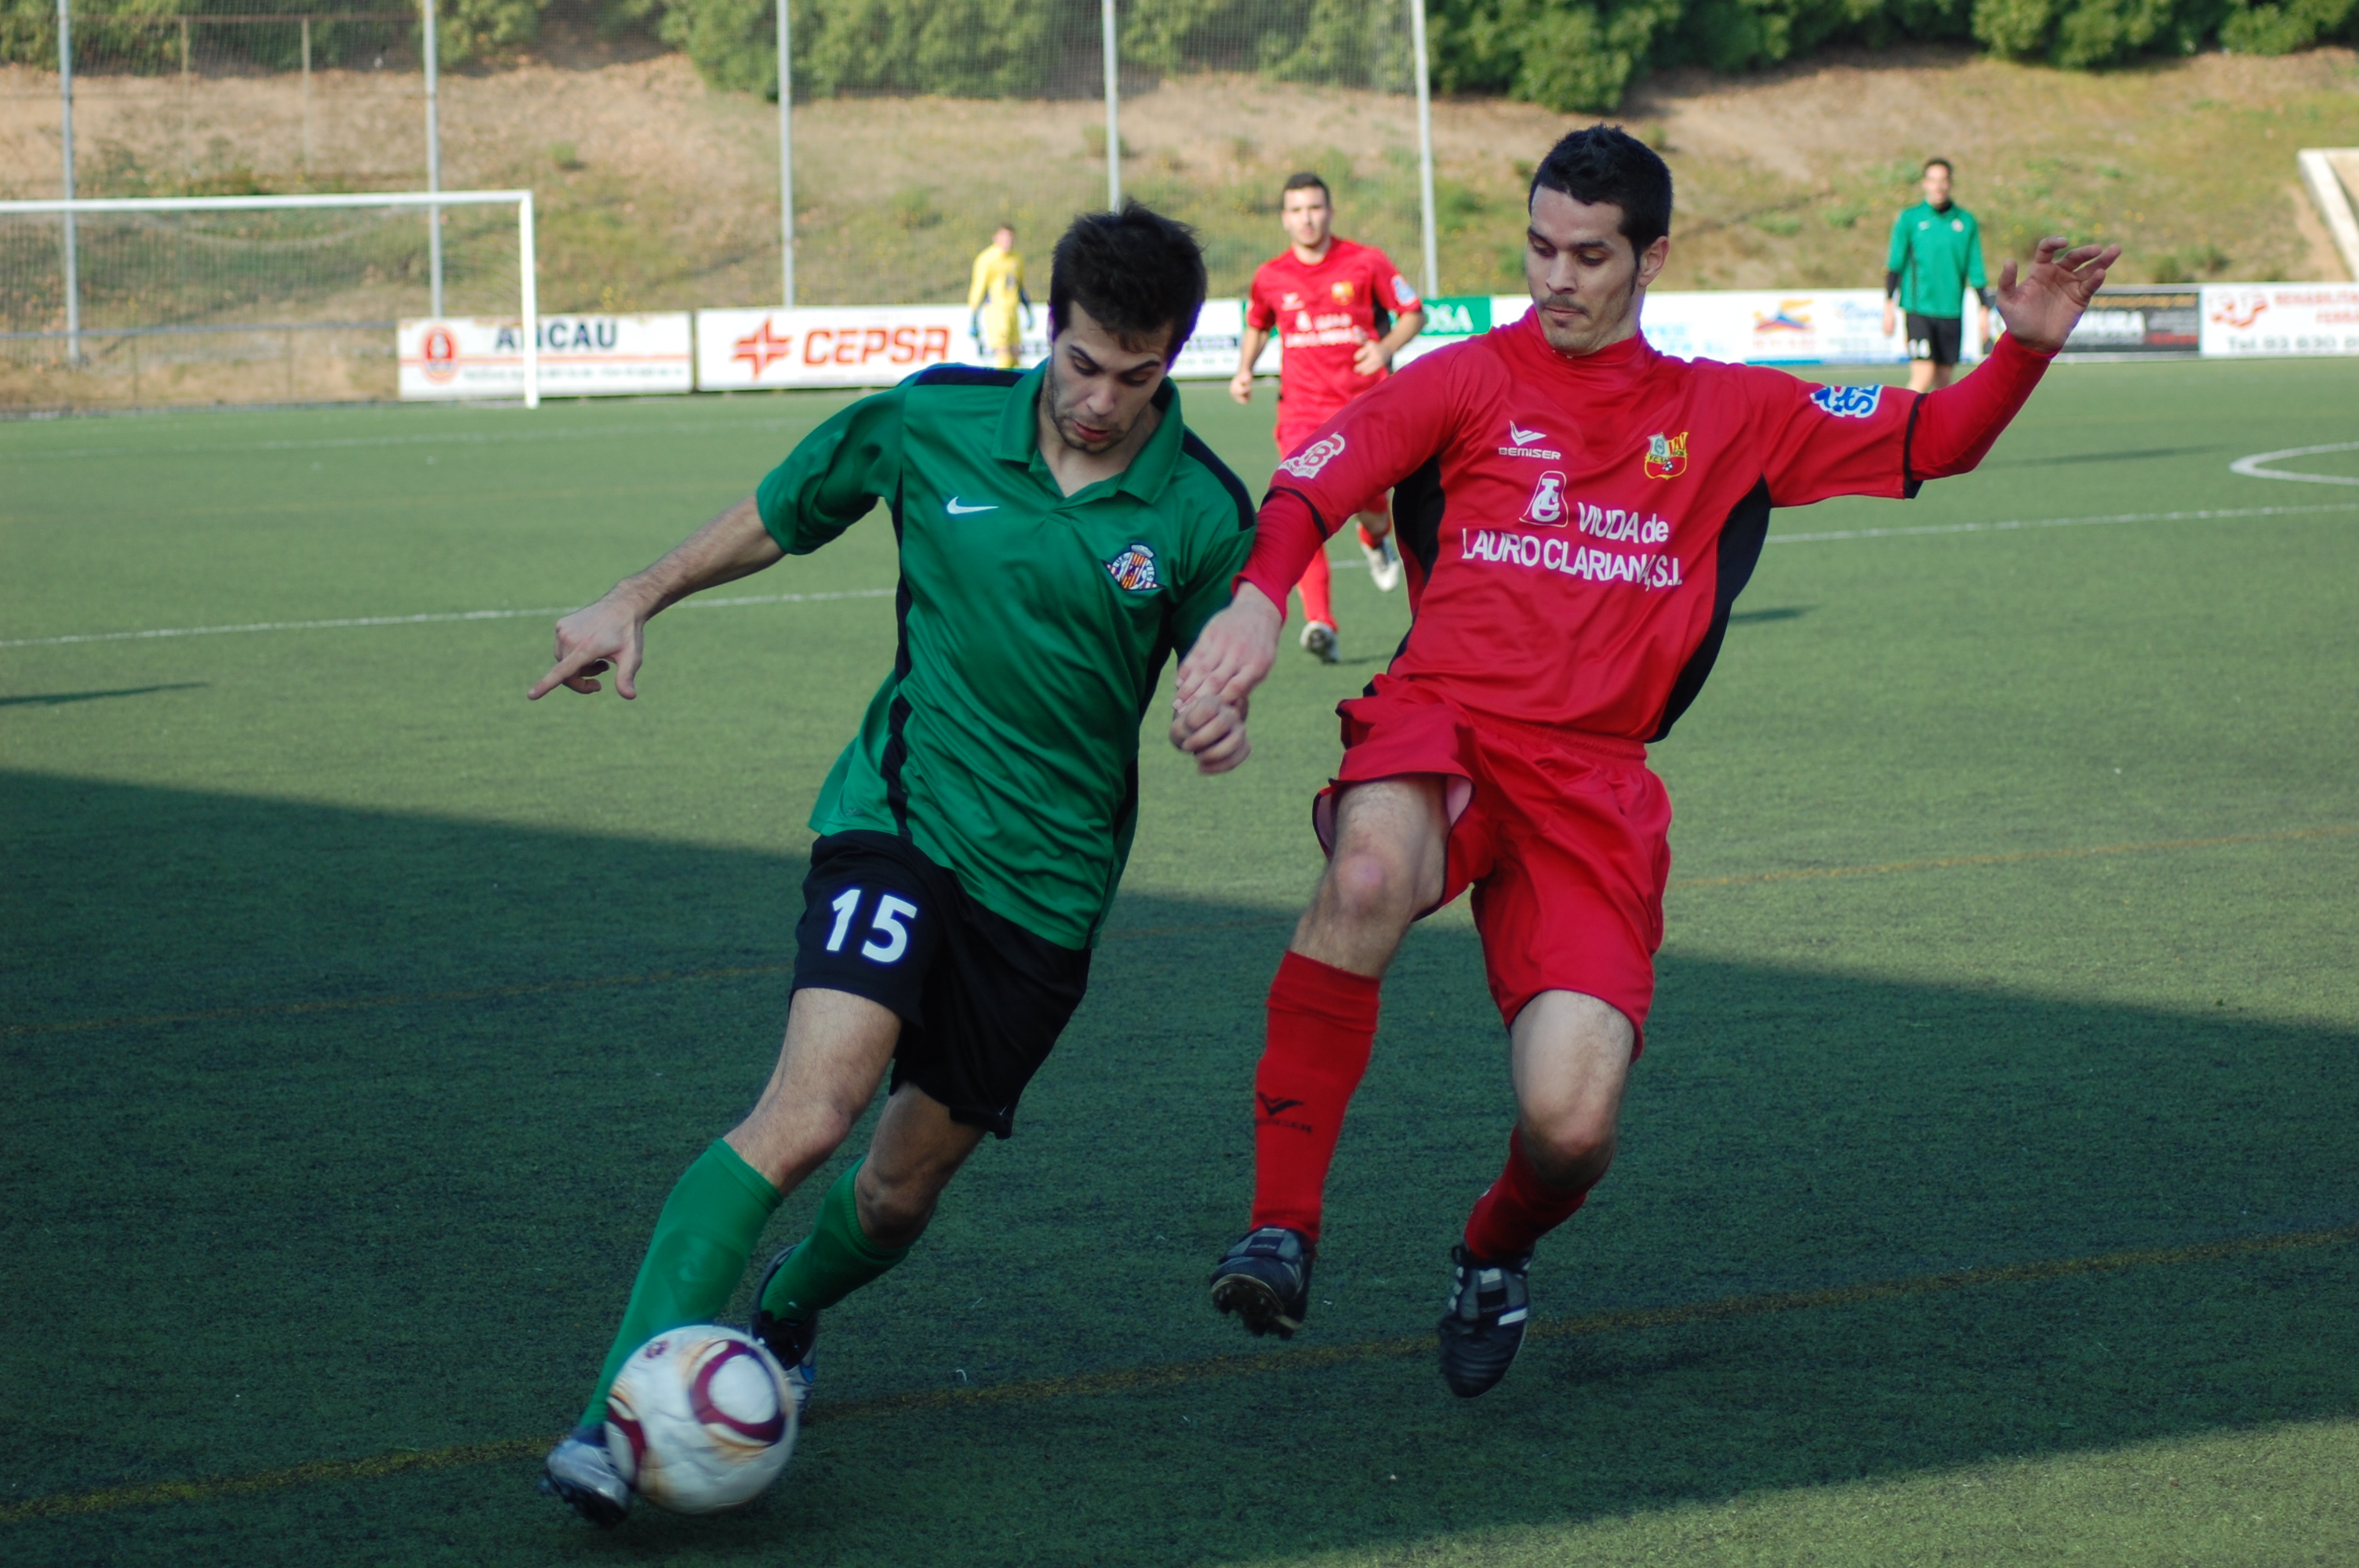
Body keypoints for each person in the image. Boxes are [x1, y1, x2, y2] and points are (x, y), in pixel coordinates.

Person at [1172, 125, 2115, 1399]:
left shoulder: (1732, 413)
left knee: (1569, 1131)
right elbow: (1308, 486)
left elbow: (1936, 439)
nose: (1554, 279)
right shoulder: (1466, 378)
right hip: (1441, 720)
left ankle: (1491, 1253)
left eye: (1588, 256)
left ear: (1651, 256)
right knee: (1361, 882)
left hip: (1593, 786)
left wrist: (2025, 346)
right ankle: (1280, 1227)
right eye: (1539, 248)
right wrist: (1254, 603)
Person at [531, 202, 1257, 1525]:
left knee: (896, 1189)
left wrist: (1221, 698)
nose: (1098, 400)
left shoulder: (1202, 508)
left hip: (1044, 895)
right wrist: (631, 598)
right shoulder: (935, 420)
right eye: (1082, 362)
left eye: (1134, 377)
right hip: (900, 819)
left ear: (1174, 363)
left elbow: (1232, 639)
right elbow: (777, 512)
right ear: (1049, 327)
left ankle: (789, 1317)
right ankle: (609, 1419)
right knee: (807, 1116)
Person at [1230, 172, 1426, 663]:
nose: (1307, 218)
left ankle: (1374, 535)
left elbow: (1413, 312)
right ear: (1284, 218)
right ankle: (1321, 621)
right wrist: (1243, 371)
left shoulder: (1366, 261)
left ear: (1330, 211)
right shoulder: (1270, 276)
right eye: (1297, 210)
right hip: (1300, 415)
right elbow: (1257, 324)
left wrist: (1383, 347)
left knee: (1370, 501)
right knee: (1300, 511)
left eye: (1315, 208)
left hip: (1365, 410)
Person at [1883, 158, 1991, 392]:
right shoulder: (1910, 219)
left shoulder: (1965, 221)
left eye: (1943, 181)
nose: (1938, 186)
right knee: (1922, 377)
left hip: (1951, 310)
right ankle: (1904, 427)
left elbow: (1976, 266)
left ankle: (1935, 429)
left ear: (1950, 184)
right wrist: (1889, 305)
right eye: (1933, 180)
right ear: (1925, 183)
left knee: (1943, 384)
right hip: (1919, 309)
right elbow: (1895, 264)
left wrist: (1984, 307)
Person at [969, 223, 1032, 370]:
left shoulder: (1017, 258)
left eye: (1010, 238)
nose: (1007, 242)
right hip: (996, 310)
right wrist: (973, 316)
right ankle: (1005, 388)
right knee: (1003, 354)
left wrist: (1029, 310)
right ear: (996, 238)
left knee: (1016, 355)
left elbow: (1020, 286)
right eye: (1004, 238)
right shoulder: (987, 259)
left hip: (1013, 310)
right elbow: (979, 288)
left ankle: (1016, 388)